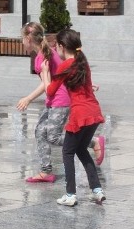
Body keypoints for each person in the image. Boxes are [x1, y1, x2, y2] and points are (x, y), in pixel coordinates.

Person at [17, 22, 104, 183]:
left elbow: (46, 84)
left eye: (22, 38)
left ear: (29, 38)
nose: (21, 42)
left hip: (60, 100)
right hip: (54, 99)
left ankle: (93, 142)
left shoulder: (43, 56)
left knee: (53, 136)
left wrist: (28, 98)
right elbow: (65, 71)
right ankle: (46, 171)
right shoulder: (46, 52)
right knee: (40, 131)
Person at [40, 29, 106, 207]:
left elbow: (50, 91)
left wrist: (45, 73)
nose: (56, 50)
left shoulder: (65, 65)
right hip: (93, 111)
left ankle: (70, 194)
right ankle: (97, 191)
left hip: (79, 114)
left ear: (61, 47)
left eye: (56, 47)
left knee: (67, 152)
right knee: (81, 149)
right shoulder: (82, 61)